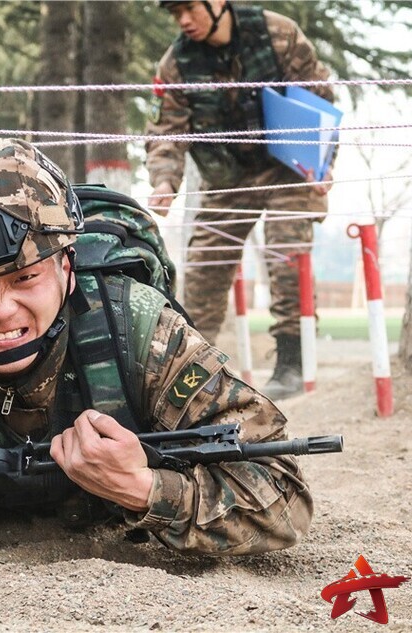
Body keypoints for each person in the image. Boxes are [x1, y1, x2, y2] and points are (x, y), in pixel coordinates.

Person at [0, 138, 312, 555]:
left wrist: (146, 490)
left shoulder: (142, 333)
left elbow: (285, 498)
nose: (2, 309)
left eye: (26, 278)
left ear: (66, 269)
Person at [145, 0, 336, 400]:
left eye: (189, 8)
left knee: (287, 254)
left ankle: (291, 363)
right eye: (173, 12)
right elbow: (167, 131)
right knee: (202, 272)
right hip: (228, 180)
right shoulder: (176, 64)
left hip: (289, 169)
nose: (182, 20)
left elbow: (319, 97)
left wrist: (322, 162)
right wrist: (164, 183)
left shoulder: (278, 34)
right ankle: (191, 373)